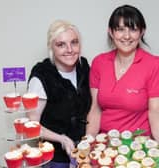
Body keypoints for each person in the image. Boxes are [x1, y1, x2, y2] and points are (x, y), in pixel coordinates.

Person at [86, 4, 159, 142]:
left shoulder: (154, 64)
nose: (126, 36)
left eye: (133, 29)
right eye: (120, 29)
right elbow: (95, 108)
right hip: (105, 144)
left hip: (138, 146)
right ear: (111, 32)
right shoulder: (99, 62)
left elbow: (155, 112)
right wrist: (88, 142)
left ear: (142, 32)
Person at [27, 20, 91, 167]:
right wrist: (61, 139)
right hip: (55, 158)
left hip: (84, 151)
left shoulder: (84, 67)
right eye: (61, 44)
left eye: (74, 42)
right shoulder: (41, 76)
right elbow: (32, 126)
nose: (69, 49)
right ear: (51, 47)